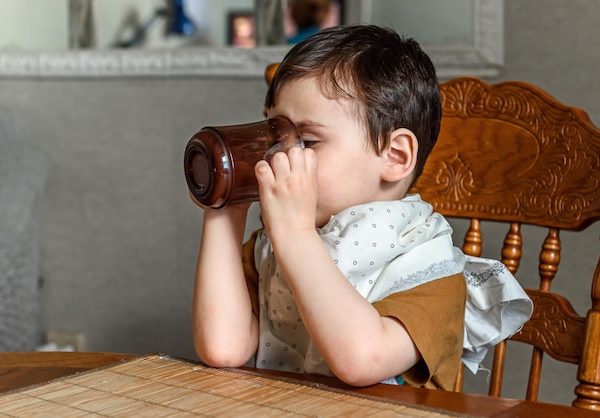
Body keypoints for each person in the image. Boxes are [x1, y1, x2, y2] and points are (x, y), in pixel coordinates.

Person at [192, 25, 532, 390]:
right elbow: (223, 348)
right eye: (276, 136)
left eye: (306, 140)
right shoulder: (271, 247)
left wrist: (295, 234)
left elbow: (362, 360)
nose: (280, 156)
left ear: (395, 156)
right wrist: (224, 208)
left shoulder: (430, 267)